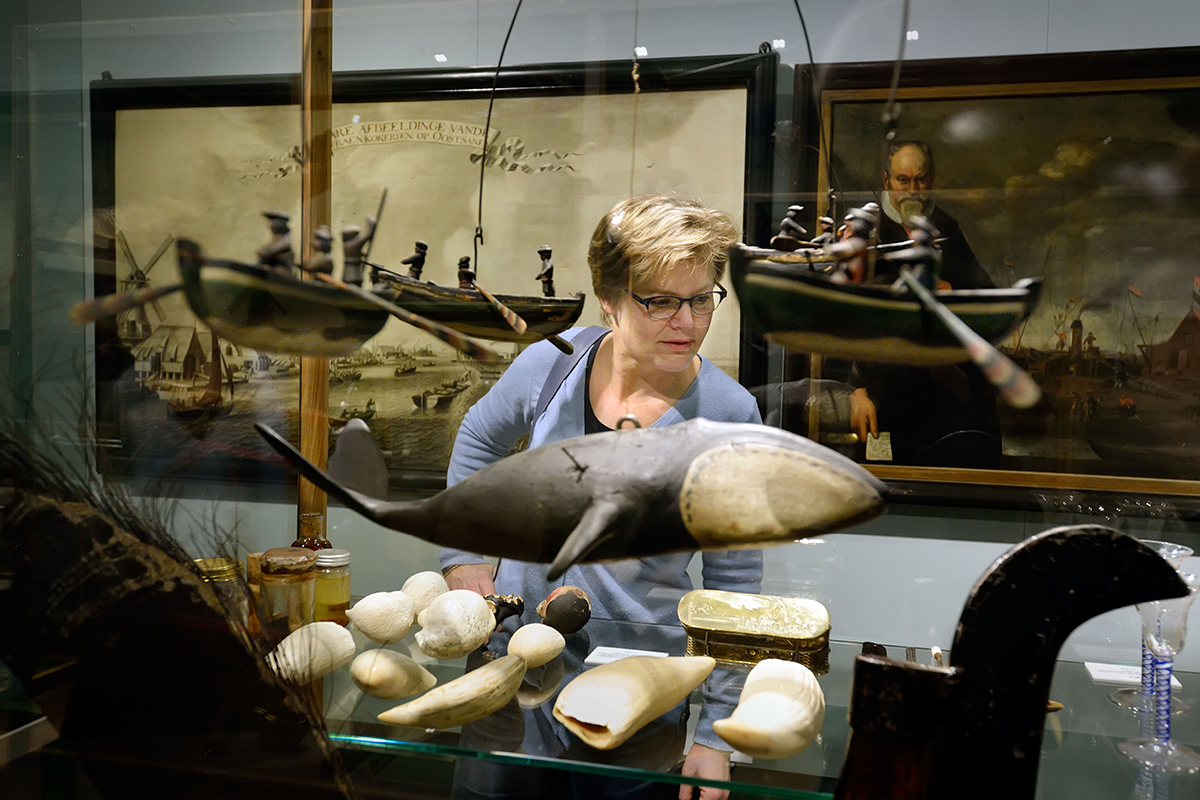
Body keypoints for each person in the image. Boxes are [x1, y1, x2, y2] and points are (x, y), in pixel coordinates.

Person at [441, 194, 762, 800]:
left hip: (636, 689)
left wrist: (716, 734)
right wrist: (463, 560)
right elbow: (479, 439)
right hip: (509, 667)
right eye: (660, 301)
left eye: (701, 299)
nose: (688, 323)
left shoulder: (728, 414)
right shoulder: (550, 367)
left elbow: (735, 585)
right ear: (609, 300)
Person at [845, 142, 1002, 467]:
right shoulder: (864, 229)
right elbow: (838, 312)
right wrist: (855, 390)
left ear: (931, 179)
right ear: (887, 181)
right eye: (903, 180)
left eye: (920, 179)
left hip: (945, 391)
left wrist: (951, 289)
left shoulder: (946, 227)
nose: (912, 190)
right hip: (885, 390)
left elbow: (984, 292)